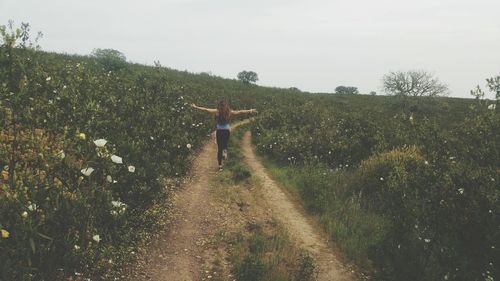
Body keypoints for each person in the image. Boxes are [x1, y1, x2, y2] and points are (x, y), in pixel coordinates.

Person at [191, 99, 257, 171]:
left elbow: (205, 109)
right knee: (225, 144)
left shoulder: (217, 111)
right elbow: (240, 112)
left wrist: (195, 107)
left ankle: (220, 166)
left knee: (219, 148)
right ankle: (225, 152)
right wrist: (250, 110)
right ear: (226, 106)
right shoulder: (229, 112)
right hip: (226, 131)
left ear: (219, 105)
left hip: (219, 131)